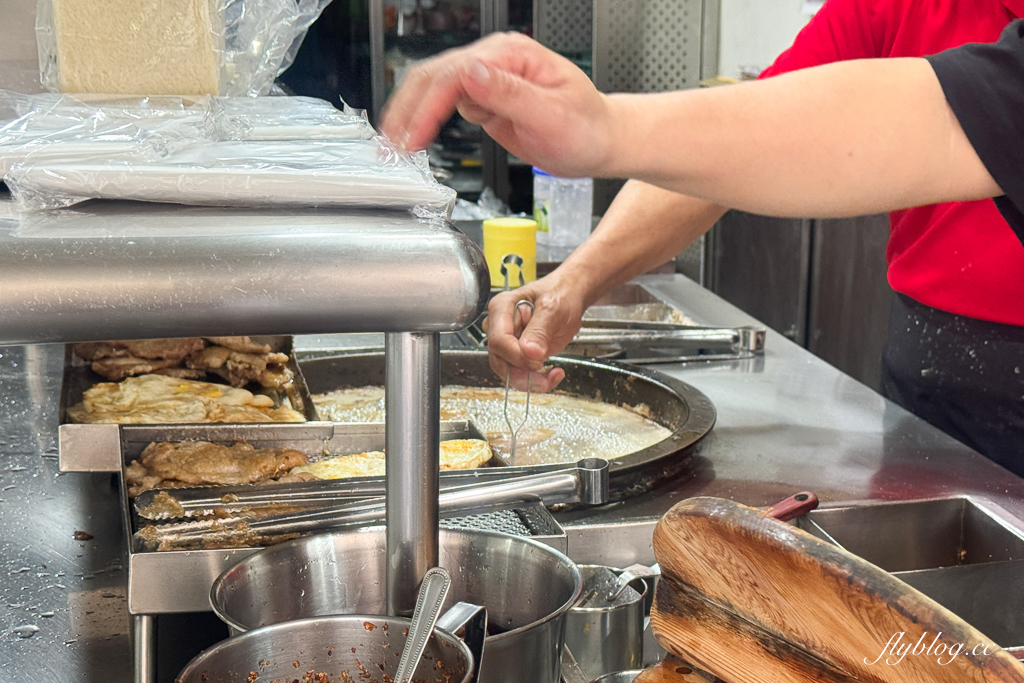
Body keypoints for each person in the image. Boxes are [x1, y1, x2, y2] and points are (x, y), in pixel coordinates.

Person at [380, 12, 1024, 473]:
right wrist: (575, 282)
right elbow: (743, 143)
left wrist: (608, 128)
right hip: (925, 383)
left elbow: (954, 121)